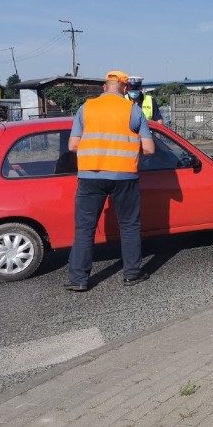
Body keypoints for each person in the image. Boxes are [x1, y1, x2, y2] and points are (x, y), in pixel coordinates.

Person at [64, 70, 156, 292]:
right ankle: (132, 274)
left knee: (85, 228)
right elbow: (150, 149)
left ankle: (79, 279)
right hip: (124, 176)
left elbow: (73, 146)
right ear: (125, 89)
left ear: (104, 87)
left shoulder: (86, 108)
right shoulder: (133, 110)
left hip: (89, 176)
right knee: (129, 226)